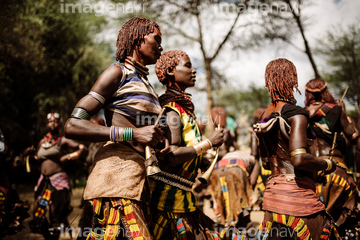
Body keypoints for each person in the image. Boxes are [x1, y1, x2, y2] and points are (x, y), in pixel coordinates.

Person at [64, 17, 166, 240]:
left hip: (138, 182)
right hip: (115, 181)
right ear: (137, 39)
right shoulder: (117, 73)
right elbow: (72, 124)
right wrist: (134, 133)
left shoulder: (146, 84)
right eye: (156, 39)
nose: (161, 46)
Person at [149, 50, 245, 240]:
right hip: (169, 203)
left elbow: (184, 153)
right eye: (188, 66)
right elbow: (171, 156)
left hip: (184, 198)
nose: (194, 71)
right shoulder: (171, 112)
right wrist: (209, 143)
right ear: (170, 71)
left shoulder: (184, 111)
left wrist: (200, 162)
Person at [253, 58, 338, 239]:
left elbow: (267, 163)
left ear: (269, 82)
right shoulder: (297, 114)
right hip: (297, 197)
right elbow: (298, 159)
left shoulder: (263, 117)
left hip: (272, 198)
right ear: (292, 80)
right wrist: (327, 164)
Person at [304, 78, 360, 238]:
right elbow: (356, 139)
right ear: (325, 92)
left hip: (310, 172)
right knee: (350, 211)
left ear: (307, 94)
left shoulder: (301, 114)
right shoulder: (336, 109)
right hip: (336, 170)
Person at [28, 113, 87, 239]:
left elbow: (83, 149)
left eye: (55, 122)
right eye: (50, 122)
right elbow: (38, 159)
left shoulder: (63, 140)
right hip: (44, 182)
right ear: (46, 124)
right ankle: (48, 236)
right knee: (38, 211)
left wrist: (69, 156)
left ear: (60, 124)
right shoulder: (42, 142)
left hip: (58, 180)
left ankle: (55, 232)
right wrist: (29, 155)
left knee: (56, 213)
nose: (52, 124)